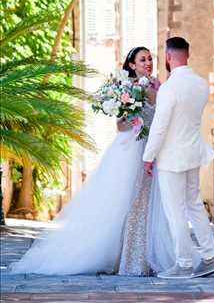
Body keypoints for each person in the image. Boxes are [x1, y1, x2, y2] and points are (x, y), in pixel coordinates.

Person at [10, 46, 174, 276]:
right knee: (134, 201)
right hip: (133, 150)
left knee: (151, 202)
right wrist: (134, 120)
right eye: (142, 59)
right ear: (132, 65)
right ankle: (132, 260)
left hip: (152, 147)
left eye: (150, 58)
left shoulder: (157, 85)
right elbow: (120, 125)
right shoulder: (130, 87)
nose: (148, 62)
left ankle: (145, 256)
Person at [143, 36, 214, 279]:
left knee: (175, 210)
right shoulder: (200, 84)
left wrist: (148, 156)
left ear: (168, 57)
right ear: (187, 54)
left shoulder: (169, 88)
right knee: (194, 205)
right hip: (193, 153)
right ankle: (210, 258)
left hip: (171, 158)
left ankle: (184, 263)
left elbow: (160, 127)